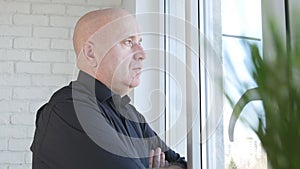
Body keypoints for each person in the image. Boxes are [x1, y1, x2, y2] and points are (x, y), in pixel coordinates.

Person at [30, 8, 187, 169]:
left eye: (140, 42)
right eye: (128, 42)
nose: (142, 54)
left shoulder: (130, 114)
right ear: (91, 53)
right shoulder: (69, 110)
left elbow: (182, 163)